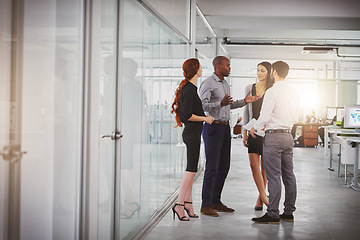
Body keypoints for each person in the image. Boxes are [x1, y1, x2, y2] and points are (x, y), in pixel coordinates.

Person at [199, 56, 260, 217]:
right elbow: (202, 106)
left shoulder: (225, 83)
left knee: (224, 166)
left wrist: (245, 101)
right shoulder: (208, 83)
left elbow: (229, 104)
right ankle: (205, 205)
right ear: (218, 67)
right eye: (228, 66)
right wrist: (220, 104)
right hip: (213, 128)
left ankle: (215, 201)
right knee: (212, 167)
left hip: (225, 128)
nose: (230, 68)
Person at [250, 61, 300, 224]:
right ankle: (288, 213)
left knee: (274, 177)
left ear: (274, 72)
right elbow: (295, 118)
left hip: (273, 137)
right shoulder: (294, 92)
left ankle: (272, 214)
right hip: (288, 136)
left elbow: (264, 117)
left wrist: (254, 128)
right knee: (289, 175)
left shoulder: (272, 92)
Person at [171, 58, 215, 221]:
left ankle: (188, 203)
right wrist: (205, 118)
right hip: (191, 134)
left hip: (193, 134)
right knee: (190, 170)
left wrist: (204, 118)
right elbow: (186, 116)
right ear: (195, 70)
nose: (202, 69)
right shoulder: (189, 90)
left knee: (192, 169)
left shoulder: (191, 88)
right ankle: (179, 204)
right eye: (200, 67)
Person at [242, 62, 273, 210]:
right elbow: (246, 112)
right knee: (253, 165)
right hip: (253, 131)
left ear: (269, 73)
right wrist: (244, 132)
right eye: (258, 70)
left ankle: (261, 198)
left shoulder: (272, 90)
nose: (259, 73)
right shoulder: (250, 88)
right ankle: (264, 196)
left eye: (262, 70)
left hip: (267, 132)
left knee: (265, 168)